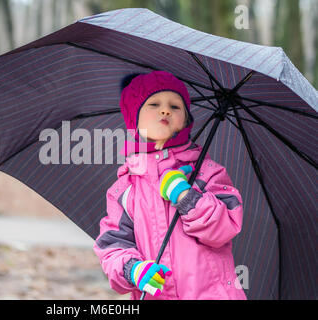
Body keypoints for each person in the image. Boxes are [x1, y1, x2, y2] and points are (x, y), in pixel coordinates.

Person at [93, 70, 247, 300]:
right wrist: (132, 269)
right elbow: (113, 245)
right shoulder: (125, 189)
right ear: (133, 117)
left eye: (175, 107)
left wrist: (186, 195)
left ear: (186, 120)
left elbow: (225, 228)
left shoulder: (207, 173)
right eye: (153, 104)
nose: (165, 110)